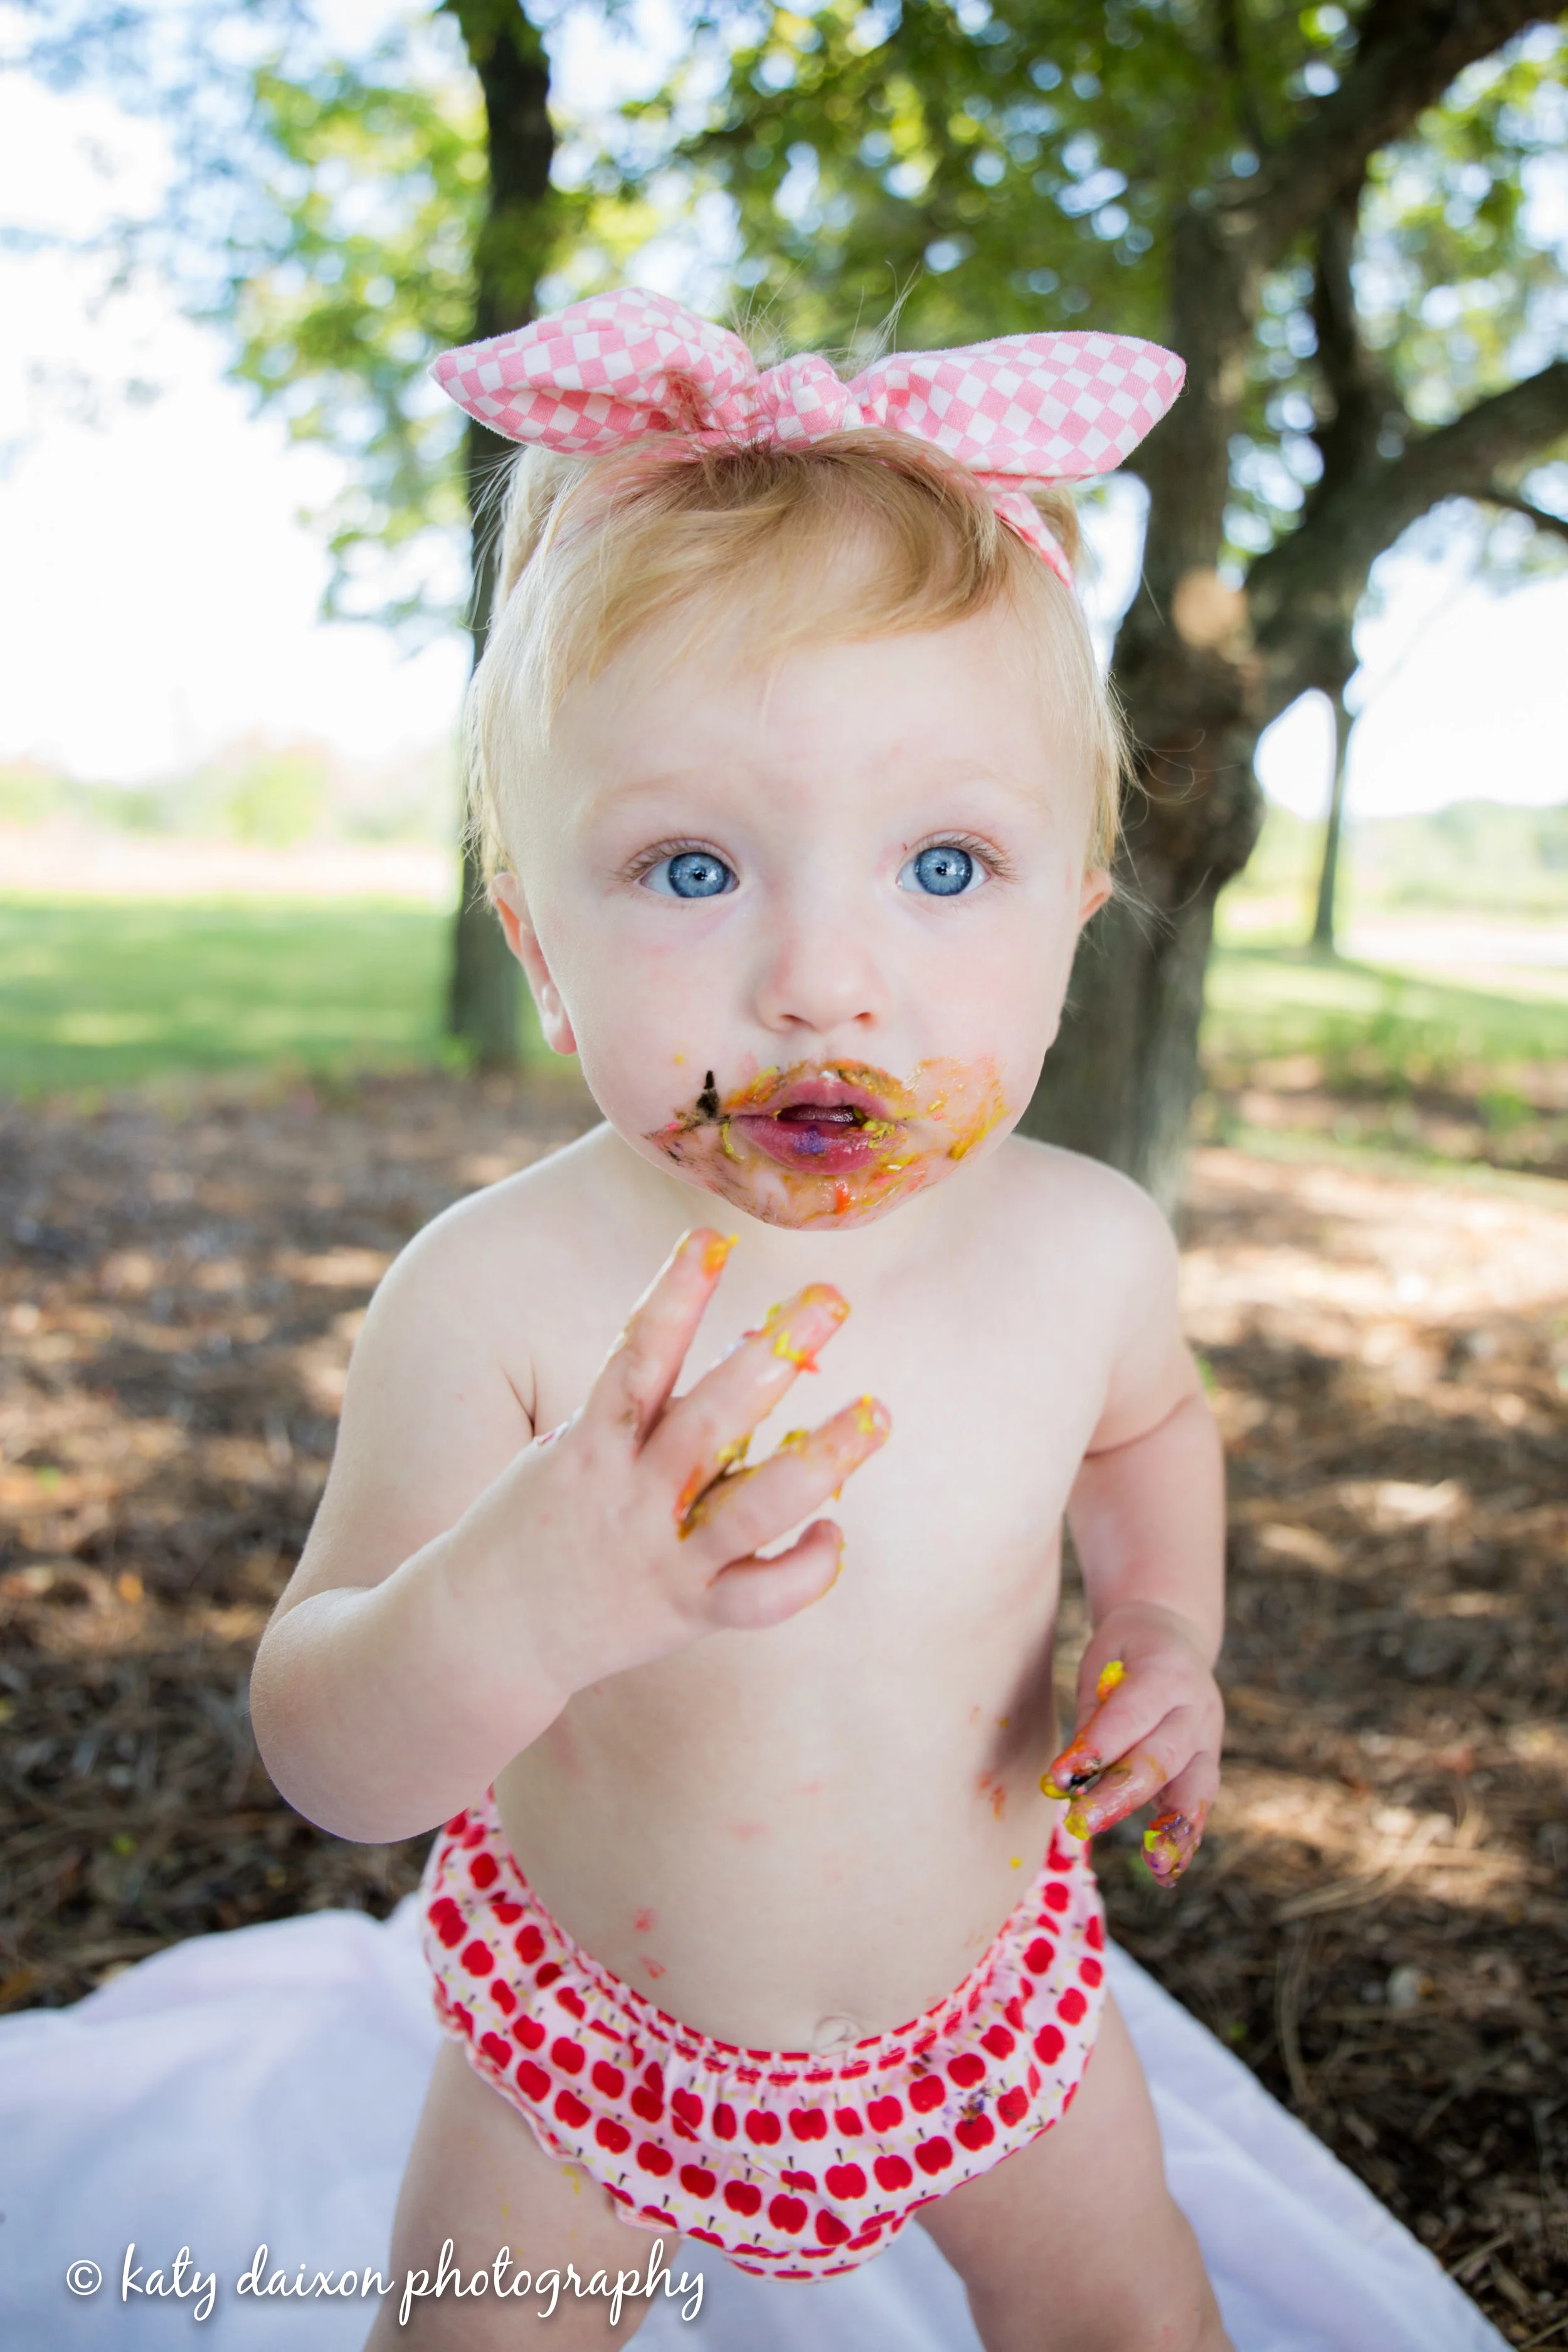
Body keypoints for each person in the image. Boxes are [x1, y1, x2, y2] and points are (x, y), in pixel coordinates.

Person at [250, 289, 1231, 2351]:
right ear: (538, 938)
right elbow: (327, 1747)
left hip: (988, 1992)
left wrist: (1165, 1627)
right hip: (594, 2039)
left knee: (1130, 2322)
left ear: (1076, 900)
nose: (821, 978)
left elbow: (1144, 1436)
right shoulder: (500, 1294)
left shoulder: (1083, 1249)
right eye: (690, 868)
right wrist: (514, 1604)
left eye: (944, 861)